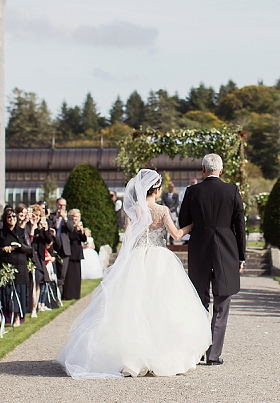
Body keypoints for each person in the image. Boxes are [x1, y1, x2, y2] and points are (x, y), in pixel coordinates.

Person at [56, 168, 208, 378]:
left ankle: (131, 355)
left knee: (133, 305)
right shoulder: (162, 211)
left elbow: (128, 238)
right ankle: (160, 355)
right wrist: (192, 225)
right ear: (156, 188)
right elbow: (177, 235)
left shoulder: (132, 210)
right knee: (161, 306)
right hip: (158, 258)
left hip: (136, 257)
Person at [180, 153, 246, 366]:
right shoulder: (232, 190)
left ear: (203, 170)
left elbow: (183, 221)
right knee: (222, 302)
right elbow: (240, 226)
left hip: (199, 248)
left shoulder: (192, 191)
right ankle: (214, 354)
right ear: (221, 170)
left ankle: (199, 350)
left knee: (200, 301)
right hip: (226, 250)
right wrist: (241, 256)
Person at [0, 207, 33, 327]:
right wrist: (3, 249)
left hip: (20, 267)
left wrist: (19, 246)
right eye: (9, 217)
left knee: (18, 293)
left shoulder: (21, 231)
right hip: (6, 267)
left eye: (14, 217)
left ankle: (17, 317)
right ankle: (7, 316)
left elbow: (30, 249)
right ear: (5, 219)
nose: (12, 219)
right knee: (6, 293)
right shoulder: (1, 233)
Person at [61, 209, 86, 301]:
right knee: (69, 276)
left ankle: (76, 294)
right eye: (74, 217)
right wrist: (76, 230)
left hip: (77, 253)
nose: (76, 219)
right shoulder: (69, 227)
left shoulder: (79, 227)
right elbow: (71, 237)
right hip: (70, 252)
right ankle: (68, 294)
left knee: (76, 276)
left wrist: (82, 231)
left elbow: (83, 239)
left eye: (77, 217)